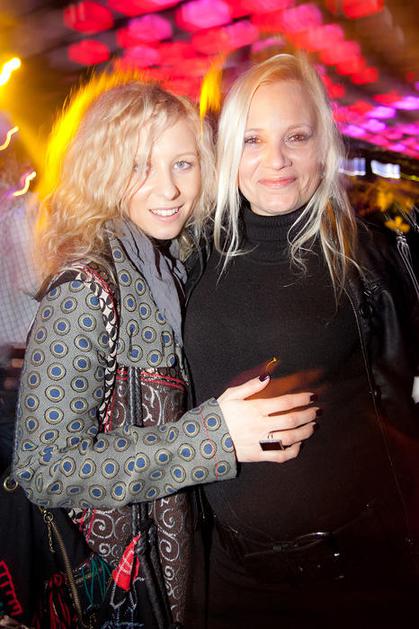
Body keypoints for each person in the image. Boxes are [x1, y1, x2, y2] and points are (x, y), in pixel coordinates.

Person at [9, 73, 317, 628]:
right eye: (139, 167)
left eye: (183, 164)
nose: (169, 189)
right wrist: (214, 435)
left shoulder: (168, 266)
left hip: (171, 563)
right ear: (102, 172)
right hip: (118, 585)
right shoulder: (85, 290)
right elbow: (44, 468)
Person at [184, 54, 419, 628]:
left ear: (323, 146)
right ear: (226, 149)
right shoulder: (189, 256)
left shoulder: (368, 258)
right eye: (253, 139)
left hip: (356, 580)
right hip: (228, 577)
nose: (276, 160)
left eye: (296, 136)